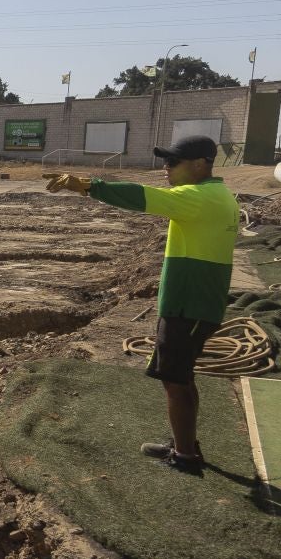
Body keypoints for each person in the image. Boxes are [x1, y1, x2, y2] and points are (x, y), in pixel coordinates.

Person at [45, 135, 239, 474]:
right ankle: (185, 444)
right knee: (182, 377)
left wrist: (90, 186)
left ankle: (185, 457)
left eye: (173, 162)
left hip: (188, 305)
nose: (166, 168)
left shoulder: (198, 197)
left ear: (200, 164)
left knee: (175, 381)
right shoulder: (215, 195)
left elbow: (142, 196)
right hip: (193, 303)